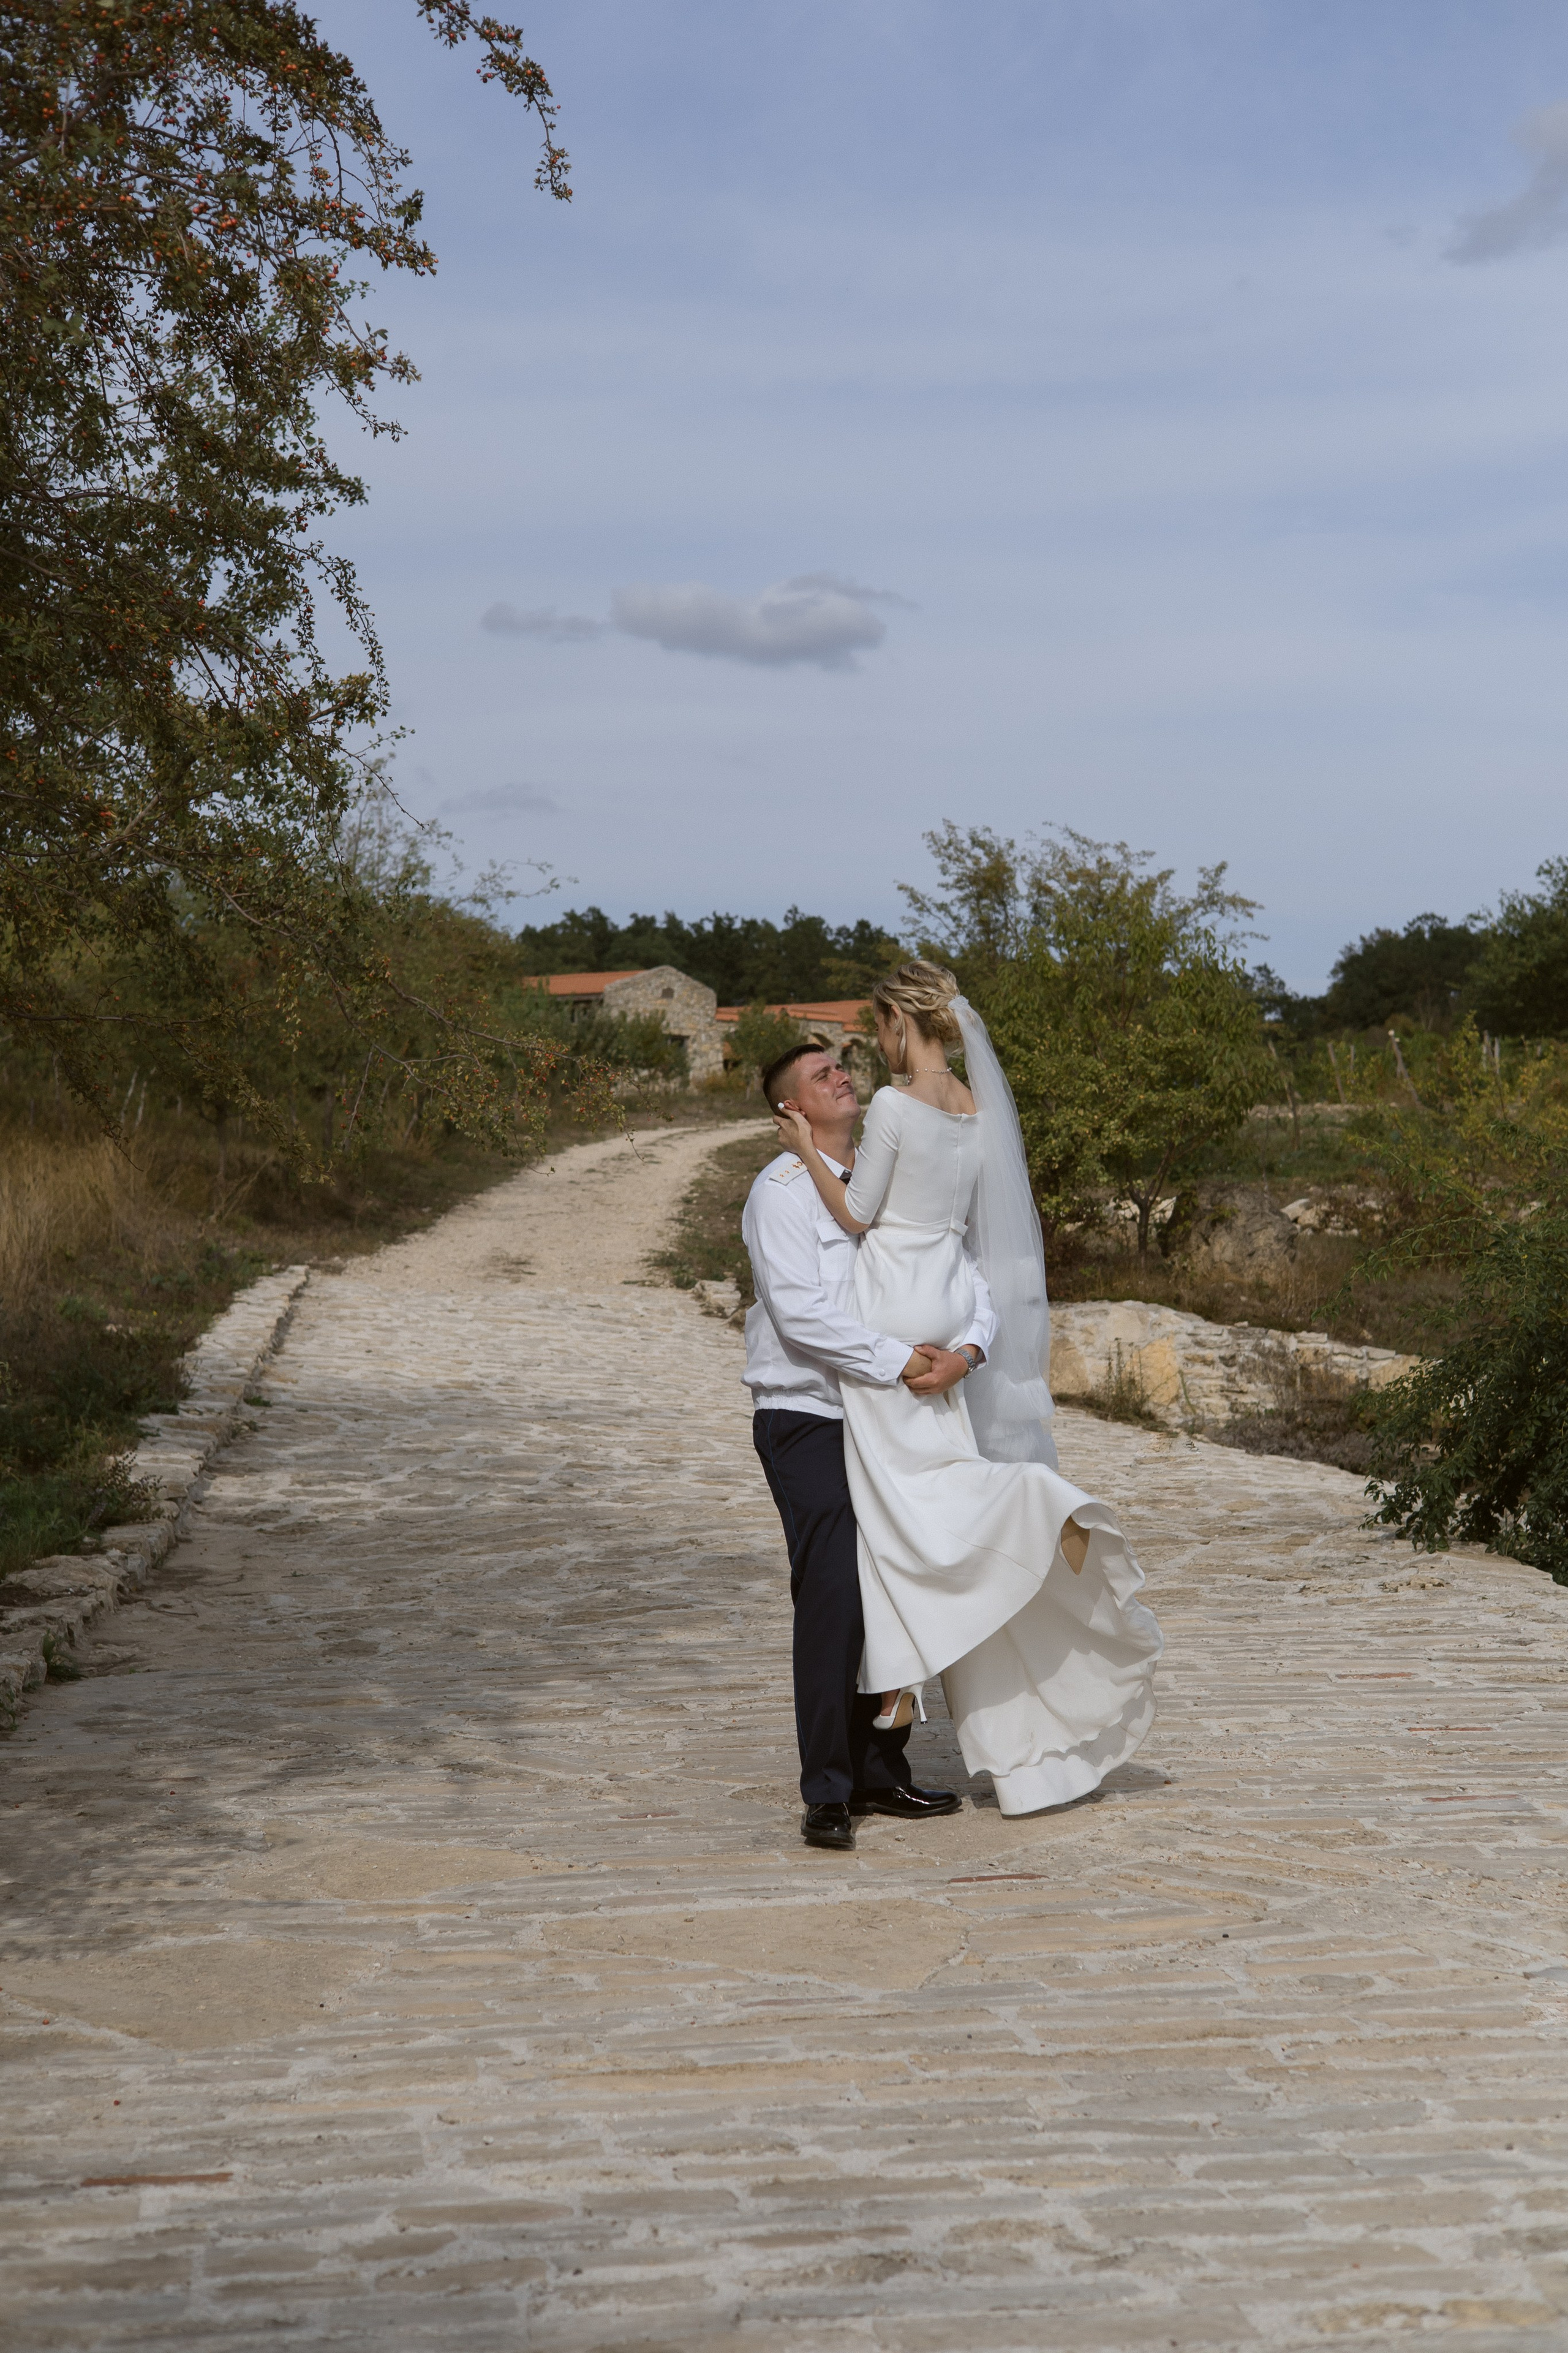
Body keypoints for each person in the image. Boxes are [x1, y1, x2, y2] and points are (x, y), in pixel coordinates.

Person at [771, 962, 1162, 1819]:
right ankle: (902, 1690)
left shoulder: (894, 1105)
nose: (874, 1049)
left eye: (878, 1029)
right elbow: (984, 1242)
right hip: (951, 1303)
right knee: (934, 1486)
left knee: (898, 1522)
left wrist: (803, 1152)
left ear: (898, 1021)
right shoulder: (978, 1110)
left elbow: (857, 1214)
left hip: (897, 1313)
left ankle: (1027, 1514)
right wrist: (973, 1345)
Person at [742, 1038, 998, 1852]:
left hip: (897, 1414)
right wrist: (900, 1359)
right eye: (820, 1075)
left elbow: (966, 1272)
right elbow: (801, 1316)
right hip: (812, 1414)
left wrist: (969, 1349)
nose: (842, 1074)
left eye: (842, 1064)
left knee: (901, 1581)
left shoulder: (894, 1175)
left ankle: (882, 1769)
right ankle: (828, 1788)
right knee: (834, 1594)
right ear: (790, 1109)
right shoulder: (781, 1193)